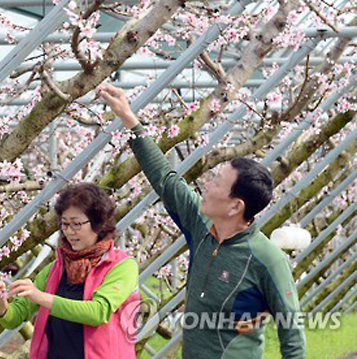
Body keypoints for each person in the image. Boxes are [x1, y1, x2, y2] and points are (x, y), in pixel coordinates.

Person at [98, 83, 305, 358]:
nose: (206, 185)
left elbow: (291, 331)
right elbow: (166, 180)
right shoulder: (202, 226)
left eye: (217, 182)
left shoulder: (267, 258)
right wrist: (130, 120)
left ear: (235, 206)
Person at [0, 183, 140, 358]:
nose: (69, 231)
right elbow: (14, 318)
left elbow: (98, 312)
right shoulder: (56, 269)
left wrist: (41, 297)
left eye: (77, 224)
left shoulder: (122, 266)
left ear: (98, 223)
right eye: (64, 224)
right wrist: (0, 302)